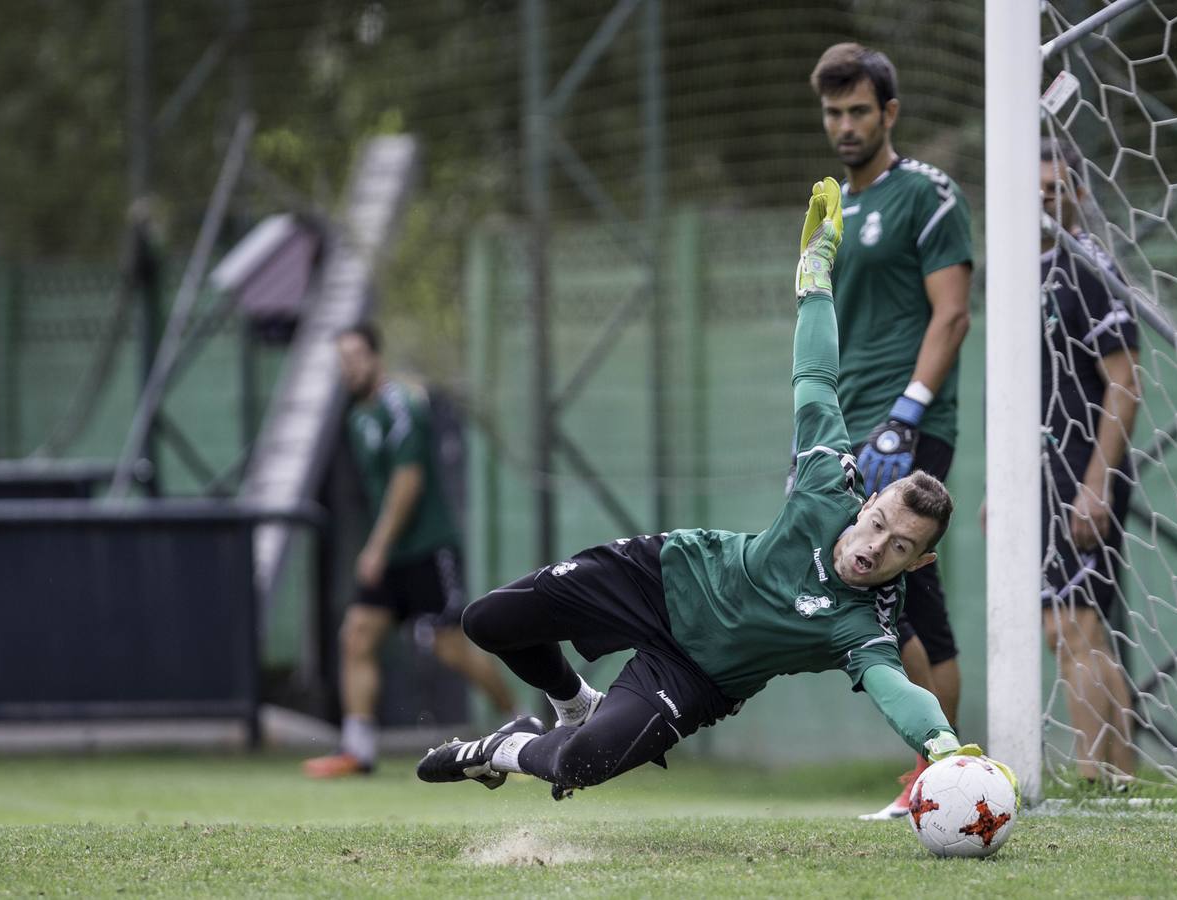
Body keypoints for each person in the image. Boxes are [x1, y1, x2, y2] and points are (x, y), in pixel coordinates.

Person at [415, 179, 1007, 802]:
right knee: (488, 621)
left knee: (581, 766)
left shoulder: (864, 624)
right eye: (879, 522)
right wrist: (814, 276)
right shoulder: (828, 481)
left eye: (900, 548)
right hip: (667, 574)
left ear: (920, 563)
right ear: (867, 504)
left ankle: (500, 749)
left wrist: (942, 744)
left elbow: (897, 691)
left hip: (696, 674)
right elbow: (815, 378)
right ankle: (572, 706)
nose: (876, 546)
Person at [809, 43, 974, 818]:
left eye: (858, 111)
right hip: (850, 429)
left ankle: (937, 771)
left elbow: (953, 313)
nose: (845, 126)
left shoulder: (928, 194)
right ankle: (940, 767)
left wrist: (907, 411)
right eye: (834, 112)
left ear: (890, 113)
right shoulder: (835, 208)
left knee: (909, 595)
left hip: (907, 428)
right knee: (889, 599)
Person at [303, 323, 515, 778]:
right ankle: (358, 751)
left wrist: (376, 546)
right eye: (343, 361)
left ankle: (521, 723)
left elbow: (408, 481)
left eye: (356, 357)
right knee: (357, 635)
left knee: (451, 649)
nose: (349, 368)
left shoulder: (402, 404)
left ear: (376, 357)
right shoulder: (357, 418)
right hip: (391, 554)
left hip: (425, 548)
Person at [1037, 137, 1139, 786]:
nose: (1044, 202)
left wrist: (1096, 482)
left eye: (1055, 190)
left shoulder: (1089, 269)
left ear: (1079, 195)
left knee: (1073, 625)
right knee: (1072, 629)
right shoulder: (1034, 271)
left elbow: (1125, 383)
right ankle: (1118, 779)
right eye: (1034, 191)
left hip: (1085, 474)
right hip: (1047, 476)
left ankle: (1094, 775)